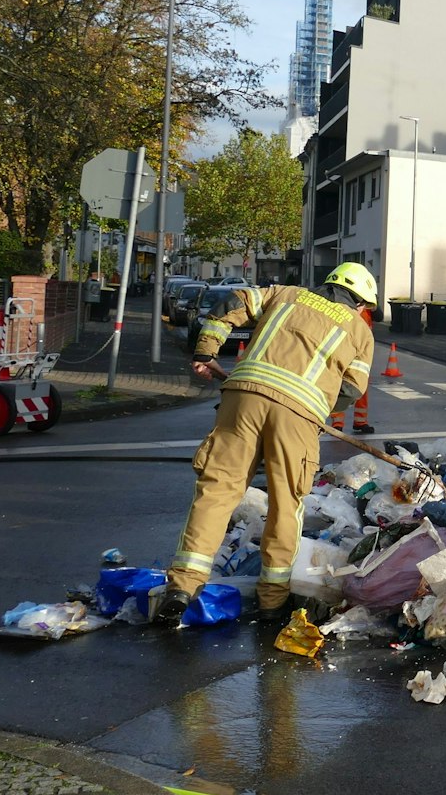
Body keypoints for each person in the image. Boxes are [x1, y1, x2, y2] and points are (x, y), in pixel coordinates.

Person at [154, 262, 380, 626]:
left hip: (242, 399)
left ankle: (181, 587)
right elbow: (352, 390)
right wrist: (317, 409)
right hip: (298, 416)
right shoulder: (359, 331)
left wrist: (205, 352)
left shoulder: (284, 295)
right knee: (286, 504)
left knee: (216, 492)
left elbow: (229, 304)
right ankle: (272, 602)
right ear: (359, 304)